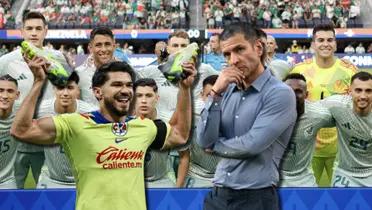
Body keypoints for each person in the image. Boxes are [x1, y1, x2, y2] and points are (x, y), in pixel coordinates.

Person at [11, 60, 195, 210]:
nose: (125, 90)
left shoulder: (143, 127)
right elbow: (22, 130)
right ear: (98, 92)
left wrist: (185, 89)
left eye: (128, 85)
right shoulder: (75, 124)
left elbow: (179, 135)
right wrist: (37, 82)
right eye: (116, 84)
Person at [197, 23, 297, 210]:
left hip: (256, 198)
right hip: (218, 194)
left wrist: (214, 146)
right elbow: (203, 139)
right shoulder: (224, 91)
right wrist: (215, 93)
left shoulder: (280, 93)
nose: (233, 60)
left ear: (259, 48)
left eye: (239, 49)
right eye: (227, 54)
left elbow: (252, 144)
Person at [138, 30, 218, 187]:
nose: (180, 49)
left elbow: (225, 85)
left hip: (191, 148)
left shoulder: (205, 70)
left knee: (183, 188)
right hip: (163, 144)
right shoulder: (153, 71)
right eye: (175, 45)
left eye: (184, 46)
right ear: (167, 48)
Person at [0, 11, 67, 189]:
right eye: (29, 28)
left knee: (46, 193)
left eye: (38, 28)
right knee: (11, 192)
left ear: (46, 31)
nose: (34, 33)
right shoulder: (6, 61)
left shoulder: (58, 59)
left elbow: (67, 92)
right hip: (14, 143)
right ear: (22, 31)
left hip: (45, 141)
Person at [291, 23, 357, 186]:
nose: (325, 44)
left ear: (335, 43)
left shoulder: (350, 71)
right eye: (320, 40)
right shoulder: (300, 70)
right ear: (313, 44)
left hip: (342, 148)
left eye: (330, 40)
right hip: (308, 148)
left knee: (341, 200)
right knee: (307, 200)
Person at [36, 72, 96, 188]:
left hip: (83, 181)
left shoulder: (91, 113)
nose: (65, 93)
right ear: (54, 90)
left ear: (78, 90)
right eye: (60, 88)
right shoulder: (40, 110)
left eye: (70, 88)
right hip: (50, 179)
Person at [279, 73, 333, 187]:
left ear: (306, 95)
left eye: (298, 91)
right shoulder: (267, 113)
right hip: (274, 178)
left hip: (303, 180)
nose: (292, 95)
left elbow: (343, 119)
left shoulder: (319, 115)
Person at [321, 71, 372, 187]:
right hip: (345, 174)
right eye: (358, 90)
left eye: (368, 91)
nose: (363, 96)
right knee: (338, 204)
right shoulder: (337, 105)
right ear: (349, 91)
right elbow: (308, 112)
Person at [133, 78, 175, 187]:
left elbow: (184, 155)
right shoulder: (124, 124)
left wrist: (179, 187)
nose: (143, 100)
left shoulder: (169, 121)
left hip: (163, 182)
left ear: (157, 98)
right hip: (133, 183)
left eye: (148, 96)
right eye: (139, 95)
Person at [187, 74, 220, 188]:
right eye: (208, 96)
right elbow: (184, 157)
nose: (213, 100)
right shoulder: (191, 120)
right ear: (202, 96)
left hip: (225, 178)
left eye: (219, 95)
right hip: (196, 177)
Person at [76, 26, 116, 107]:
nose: (104, 49)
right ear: (90, 48)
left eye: (107, 44)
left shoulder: (125, 73)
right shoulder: (79, 74)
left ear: (114, 46)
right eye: (98, 45)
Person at [0, 75, 20, 189]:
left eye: (10, 91)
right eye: (0, 90)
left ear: (17, 95)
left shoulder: (22, 112)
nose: (4, 96)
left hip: (7, 182)